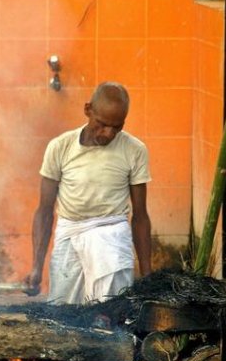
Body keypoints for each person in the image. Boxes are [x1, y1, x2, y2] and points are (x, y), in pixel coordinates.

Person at [24, 81, 152, 303]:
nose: (109, 133)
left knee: (110, 314)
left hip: (112, 235)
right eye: (102, 124)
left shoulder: (135, 150)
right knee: (63, 315)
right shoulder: (60, 147)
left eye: (117, 127)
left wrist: (147, 273)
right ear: (88, 110)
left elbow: (140, 216)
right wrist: (36, 268)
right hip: (70, 232)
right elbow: (44, 211)